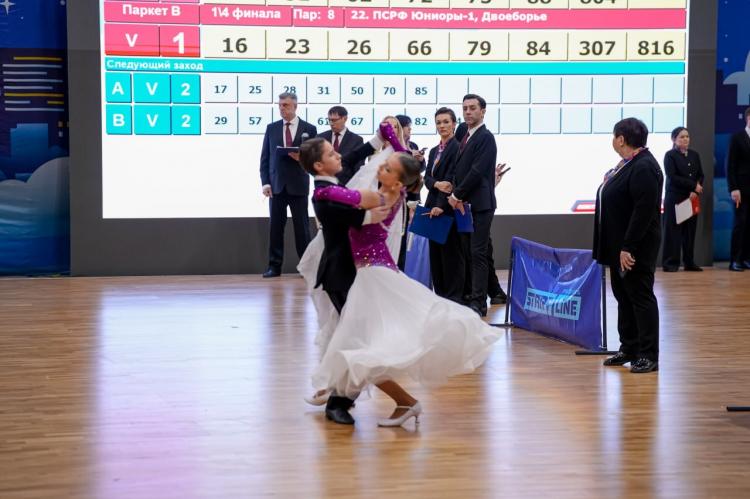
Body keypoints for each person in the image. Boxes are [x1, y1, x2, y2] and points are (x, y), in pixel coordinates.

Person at [309, 127, 498, 427]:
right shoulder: (392, 191)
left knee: (365, 343)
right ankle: (342, 391)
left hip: (372, 275)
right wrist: (392, 139)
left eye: (386, 168)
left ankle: (363, 397)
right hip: (368, 272)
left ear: (397, 181)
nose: (379, 167)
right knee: (357, 339)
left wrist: (322, 191)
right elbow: (402, 166)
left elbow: (341, 195)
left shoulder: (379, 198)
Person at [298, 137, 389, 424]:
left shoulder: (334, 183)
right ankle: (338, 399)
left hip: (350, 272)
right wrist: (384, 198)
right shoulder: (323, 194)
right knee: (357, 340)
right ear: (318, 165)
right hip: (341, 275)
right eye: (331, 153)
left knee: (358, 338)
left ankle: (337, 395)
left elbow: (352, 158)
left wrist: (381, 139)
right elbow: (363, 214)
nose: (338, 155)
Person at [594, 118, 663, 374]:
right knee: (623, 296)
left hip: (634, 248)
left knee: (640, 297)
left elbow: (643, 212)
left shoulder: (644, 167)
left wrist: (628, 247)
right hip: (619, 246)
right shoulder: (628, 164)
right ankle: (630, 347)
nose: (613, 141)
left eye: (614, 136)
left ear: (621, 139)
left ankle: (648, 354)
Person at [448, 94, 499, 317]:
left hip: (480, 204)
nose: (468, 112)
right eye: (465, 108)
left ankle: (479, 303)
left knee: (478, 253)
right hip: (464, 205)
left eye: (472, 108)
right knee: (468, 253)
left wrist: (456, 194)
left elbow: (477, 171)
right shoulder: (465, 136)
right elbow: (460, 169)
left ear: (483, 111)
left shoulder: (486, 137)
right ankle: (472, 296)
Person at [259, 92, 317, 278]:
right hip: (276, 186)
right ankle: (274, 267)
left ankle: (306, 267)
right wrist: (265, 183)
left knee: (302, 229)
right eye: (280, 105)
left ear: (295, 106)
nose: (282, 108)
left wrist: (302, 159)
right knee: (276, 228)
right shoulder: (272, 128)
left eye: (285, 105)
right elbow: (265, 158)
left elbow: (315, 159)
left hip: (298, 185)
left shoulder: (310, 128)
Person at [424, 107, 464, 303]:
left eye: (446, 122)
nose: (442, 126)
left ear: (454, 124)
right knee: (436, 256)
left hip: (446, 207)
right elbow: (426, 178)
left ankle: (453, 298)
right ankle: (440, 297)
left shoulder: (457, 147)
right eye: (439, 122)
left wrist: (441, 205)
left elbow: (451, 179)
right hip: (431, 206)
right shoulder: (434, 151)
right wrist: (435, 184)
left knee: (450, 255)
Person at [662, 127, 705, 272]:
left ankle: (689, 262)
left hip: (691, 198)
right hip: (675, 197)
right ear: (674, 139)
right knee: (673, 232)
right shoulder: (670, 155)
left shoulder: (694, 155)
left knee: (689, 232)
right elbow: (672, 176)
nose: (685, 139)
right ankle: (670, 263)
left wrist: (695, 190)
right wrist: (693, 186)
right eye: (682, 137)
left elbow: (700, 175)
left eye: (687, 136)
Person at [727, 107, 750, 272]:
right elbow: (730, 165)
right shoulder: (737, 137)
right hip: (741, 189)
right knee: (740, 224)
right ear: (748, 118)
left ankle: (747, 259)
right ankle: (735, 260)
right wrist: (734, 188)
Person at [317, 106, 364, 185]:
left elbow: (358, 167)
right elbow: (315, 162)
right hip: (324, 184)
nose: (331, 123)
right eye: (329, 120)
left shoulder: (356, 140)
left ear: (344, 119)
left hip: (347, 185)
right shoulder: (320, 138)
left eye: (334, 120)